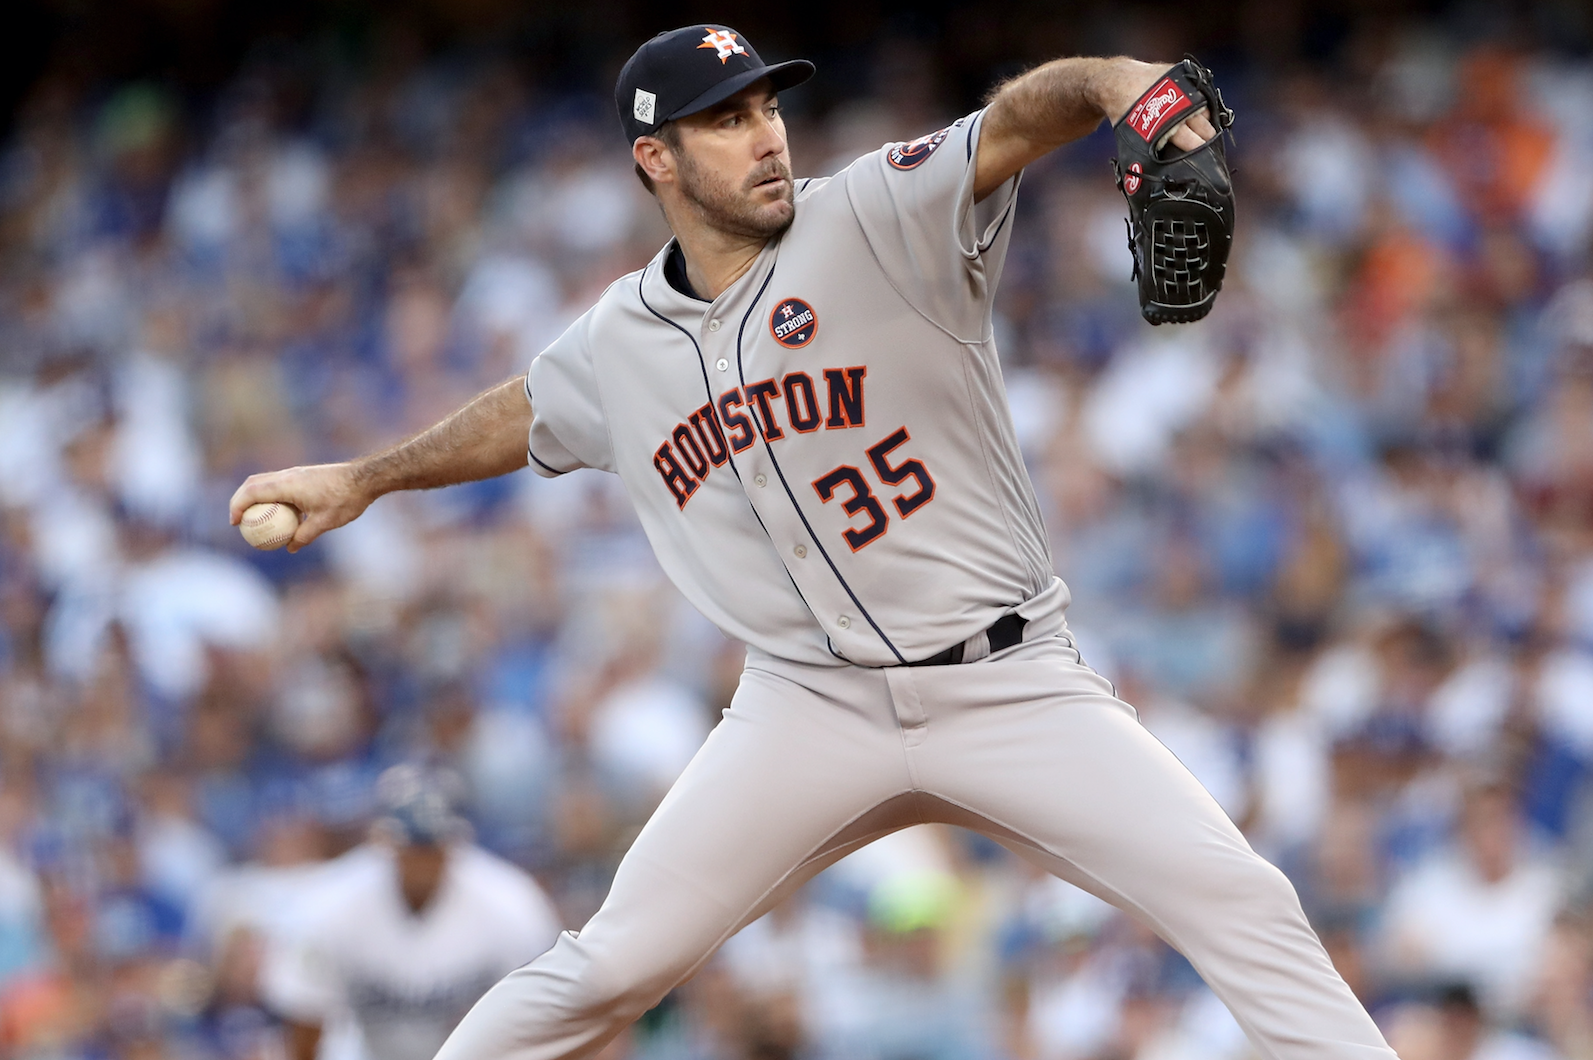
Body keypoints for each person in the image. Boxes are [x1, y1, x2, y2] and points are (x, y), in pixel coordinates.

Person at [230, 24, 1399, 1060]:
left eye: (766, 108)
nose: (766, 136)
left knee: (1239, 899)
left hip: (1008, 682)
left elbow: (1017, 120)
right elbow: (529, 411)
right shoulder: (622, 338)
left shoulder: (877, 211)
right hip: (808, 706)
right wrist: (361, 478)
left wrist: (1117, 85)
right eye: (726, 121)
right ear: (657, 159)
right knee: (605, 969)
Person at [259, 766, 560, 1060]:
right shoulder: (330, 905)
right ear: (386, 841)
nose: (422, 860)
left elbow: (549, 1021)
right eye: (412, 847)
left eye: (432, 846)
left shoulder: (512, 904)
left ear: (454, 840)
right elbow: (304, 1020)